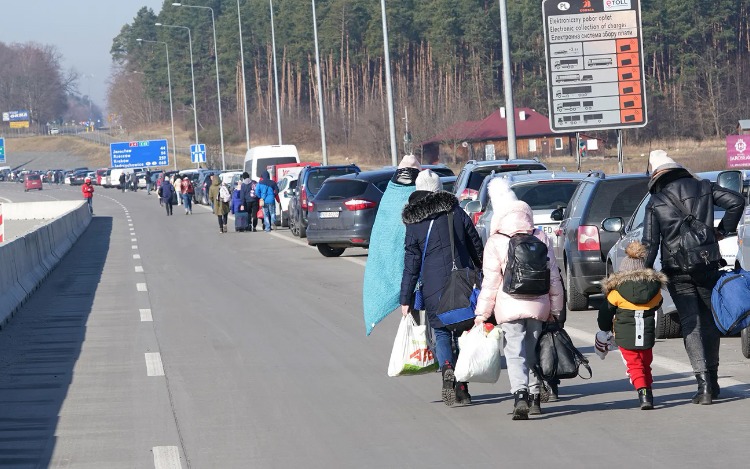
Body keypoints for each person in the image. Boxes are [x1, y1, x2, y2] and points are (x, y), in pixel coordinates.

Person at [641, 150, 745, 404]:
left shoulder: (656, 202)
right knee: (709, 321)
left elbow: (649, 243)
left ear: (656, 175)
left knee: (691, 323)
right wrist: (722, 231)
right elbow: (737, 202)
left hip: (677, 270)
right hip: (708, 264)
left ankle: (703, 386)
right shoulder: (703, 187)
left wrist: (644, 274)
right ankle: (714, 379)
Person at [474, 177, 564, 420]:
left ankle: (520, 395)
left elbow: (490, 282)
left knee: (515, 351)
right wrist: (556, 309)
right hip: (539, 304)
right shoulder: (541, 237)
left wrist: (481, 314)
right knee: (533, 350)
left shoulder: (496, 242)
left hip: (509, 304)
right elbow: (554, 278)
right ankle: (535, 397)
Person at [400, 169, 484, 406]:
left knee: (441, 332)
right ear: (438, 189)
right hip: (463, 282)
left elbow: (411, 263)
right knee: (464, 332)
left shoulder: (414, 221)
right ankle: (463, 387)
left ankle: (447, 366)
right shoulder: (455, 211)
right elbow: (475, 243)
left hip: (433, 286)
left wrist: (405, 298)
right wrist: (483, 270)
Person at [597, 241, 667, 410]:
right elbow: (658, 304)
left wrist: (605, 328)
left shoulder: (616, 292)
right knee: (645, 363)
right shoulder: (654, 291)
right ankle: (648, 390)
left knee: (634, 365)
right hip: (647, 334)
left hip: (625, 335)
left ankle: (643, 393)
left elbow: (605, 315)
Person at [364, 154, 423, 335]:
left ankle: (418, 343)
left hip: (405, 264)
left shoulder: (390, 194)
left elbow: (383, 232)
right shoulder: (420, 193)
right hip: (423, 259)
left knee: (409, 303)